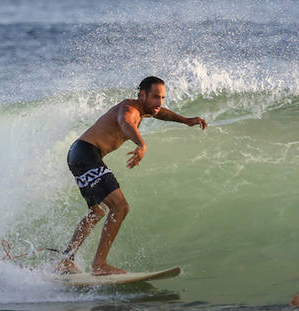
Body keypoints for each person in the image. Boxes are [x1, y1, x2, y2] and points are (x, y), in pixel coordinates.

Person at [57, 76, 206, 275]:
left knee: (98, 212)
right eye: (155, 97)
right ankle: (99, 264)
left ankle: (66, 259)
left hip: (78, 154)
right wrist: (141, 144)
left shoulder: (145, 109)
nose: (159, 103)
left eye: (162, 97)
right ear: (142, 95)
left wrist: (186, 121)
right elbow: (125, 123)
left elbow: (161, 113)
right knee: (120, 207)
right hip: (86, 154)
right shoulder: (129, 109)